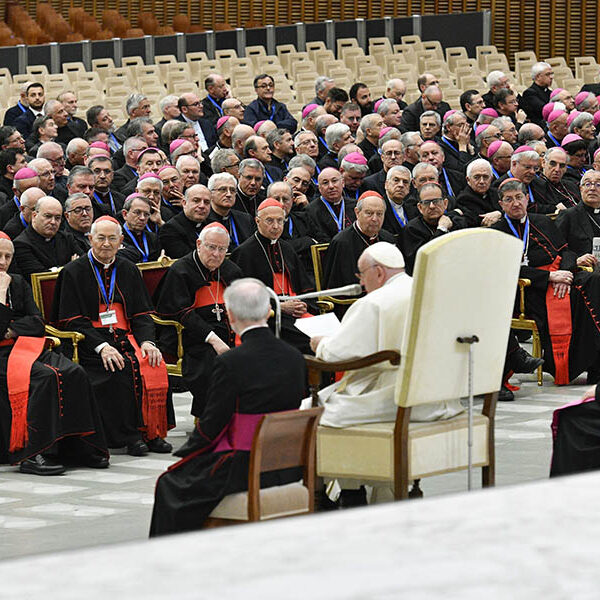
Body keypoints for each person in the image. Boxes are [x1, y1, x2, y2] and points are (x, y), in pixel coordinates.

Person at [150, 277, 306, 536]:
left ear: (230, 315)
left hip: (244, 466)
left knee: (170, 485)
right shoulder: (295, 357)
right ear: (268, 311)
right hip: (287, 465)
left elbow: (212, 424)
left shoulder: (231, 362)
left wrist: (188, 451)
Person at [51, 216, 175, 455]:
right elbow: (72, 320)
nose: (106, 244)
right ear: (90, 240)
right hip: (90, 340)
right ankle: (130, 437)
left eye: (112, 238)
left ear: (121, 241)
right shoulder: (73, 272)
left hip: (125, 334)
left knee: (154, 363)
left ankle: (152, 432)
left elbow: (140, 314)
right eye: (101, 238)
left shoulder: (128, 268)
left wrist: (148, 342)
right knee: (117, 370)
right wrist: (101, 347)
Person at [307, 241, 463, 427]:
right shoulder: (429, 291)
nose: (361, 282)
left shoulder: (373, 303)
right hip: (438, 394)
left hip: (394, 395)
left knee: (310, 410)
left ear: (379, 272)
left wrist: (322, 344)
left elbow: (337, 356)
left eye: (362, 274)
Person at [0, 232, 109, 475]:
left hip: (28, 347)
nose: (3, 262)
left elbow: (38, 321)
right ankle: (34, 453)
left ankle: (79, 446)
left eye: (8, 256)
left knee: (74, 371)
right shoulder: (6, 284)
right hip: (3, 357)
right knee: (46, 377)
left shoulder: (18, 282)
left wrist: (11, 330)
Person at [492, 178, 600, 385]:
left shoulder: (541, 221)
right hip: (529, 288)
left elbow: (565, 250)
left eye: (519, 197)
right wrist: (549, 277)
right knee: (579, 301)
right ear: (501, 204)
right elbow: (504, 269)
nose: (515, 203)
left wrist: (563, 273)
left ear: (526, 199)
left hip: (559, 275)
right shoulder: (497, 231)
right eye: (508, 199)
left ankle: (595, 363)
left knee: (594, 281)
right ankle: (582, 365)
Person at [155, 223, 243, 416]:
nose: (216, 254)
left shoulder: (231, 270)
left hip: (228, 331)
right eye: (211, 247)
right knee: (213, 366)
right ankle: (211, 421)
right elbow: (182, 313)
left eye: (222, 249)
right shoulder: (181, 270)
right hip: (192, 337)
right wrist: (214, 340)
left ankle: (245, 420)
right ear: (198, 244)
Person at [231, 198, 315, 353]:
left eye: (280, 221)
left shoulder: (287, 248)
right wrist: (279, 307)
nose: (276, 226)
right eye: (269, 221)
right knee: (309, 341)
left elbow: (304, 286)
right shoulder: (244, 253)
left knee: (328, 334)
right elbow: (244, 298)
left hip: (295, 312)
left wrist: (304, 304)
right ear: (257, 221)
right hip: (268, 317)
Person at [324, 191, 395, 301]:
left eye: (379, 214)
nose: (375, 219)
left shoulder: (388, 239)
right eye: (369, 213)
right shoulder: (342, 243)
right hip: (356, 303)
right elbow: (338, 288)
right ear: (357, 213)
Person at [13, 196, 80, 281]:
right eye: (48, 216)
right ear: (34, 216)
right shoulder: (22, 244)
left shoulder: (67, 238)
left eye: (57, 218)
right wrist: (71, 266)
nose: (53, 222)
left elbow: (84, 264)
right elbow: (42, 278)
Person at [404, 183, 466, 275]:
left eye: (436, 201)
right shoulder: (411, 229)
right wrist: (441, 229)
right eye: (426, 203)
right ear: (420, 208)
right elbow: (423, 261)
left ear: (445, 204)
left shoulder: (457, 223)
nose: (432, 206)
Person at [159, 184, 211, 258]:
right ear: (184, 203)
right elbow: (186, 260)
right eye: (196, 201)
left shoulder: (212, 225)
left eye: (206, 202)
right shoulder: (170, 229)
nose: (202, 206)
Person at [206, 172, 254, 252]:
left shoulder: (246, 219)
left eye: (232, 190)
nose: (228, 194)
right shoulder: (204, 219)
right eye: (223, 189)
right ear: (210, 194)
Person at [306, 167, 357, 242]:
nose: (331, 186)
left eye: (334, 181)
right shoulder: (310, 210)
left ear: (342, 183)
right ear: (319, 188)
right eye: (325, 183)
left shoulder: (355, 205)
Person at [119, 195, 161, 263]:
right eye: (137, 213)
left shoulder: (153, 238)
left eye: (146, 214)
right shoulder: (117, 238)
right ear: (125, 214)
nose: (142, 218)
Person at [520, 62, 554, 127]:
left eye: (551, 74)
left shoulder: (549, 92)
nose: (551, 77)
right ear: (538, 77)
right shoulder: (529, 93)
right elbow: (544, 110)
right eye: (547, 74)